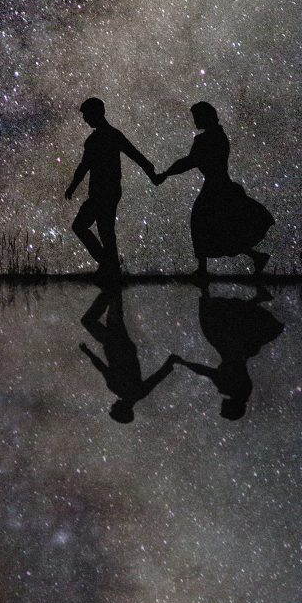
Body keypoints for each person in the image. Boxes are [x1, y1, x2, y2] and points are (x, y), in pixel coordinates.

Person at [152, 101, 274, 276]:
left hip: (215, 187)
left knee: (203, 222)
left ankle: (204, 269)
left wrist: (165, 174)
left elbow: (189, 161)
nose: (194, 122)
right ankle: (255, 257)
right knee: (221, 227)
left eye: (196, 117)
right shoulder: (219, 135)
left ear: (205, 117)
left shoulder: (206, 139)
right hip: (222, 185)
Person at [63, 97, 157, 274]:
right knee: (105, 231)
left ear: (95, 113)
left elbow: (84, 166)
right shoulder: (112, 135)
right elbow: (136, 156)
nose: (84, 119)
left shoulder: (97, 139)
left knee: (88, 227)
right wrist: (151, 173)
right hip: (109, 191)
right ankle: (110, 265)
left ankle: (108, 264)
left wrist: (73, 186)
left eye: (86, 115)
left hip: (103, 192)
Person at [168, 279, 284, 420]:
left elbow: (210, 372)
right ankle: (205, 287)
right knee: (216, 321)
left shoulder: (240, 391)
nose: (221, 406)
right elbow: (207, 372)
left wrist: (186, 363)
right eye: (224, 408)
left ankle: (256, 297)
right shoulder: (232, 388)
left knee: (229, 320)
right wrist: (185, 363)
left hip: (239, 349)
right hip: (232, 348)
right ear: (232, 407)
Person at [78, 286, 176, 422]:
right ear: (122, 409)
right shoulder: (119, 389)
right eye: (114, 408)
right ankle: (111, 285)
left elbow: (156, 378)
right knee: (95, 318)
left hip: (122, 345)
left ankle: (111, 286)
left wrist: (170, 362)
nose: (113, 405)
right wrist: (88, 353)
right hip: (113, 344)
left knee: (114, 311)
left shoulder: (138, 393)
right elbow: (102, 368)